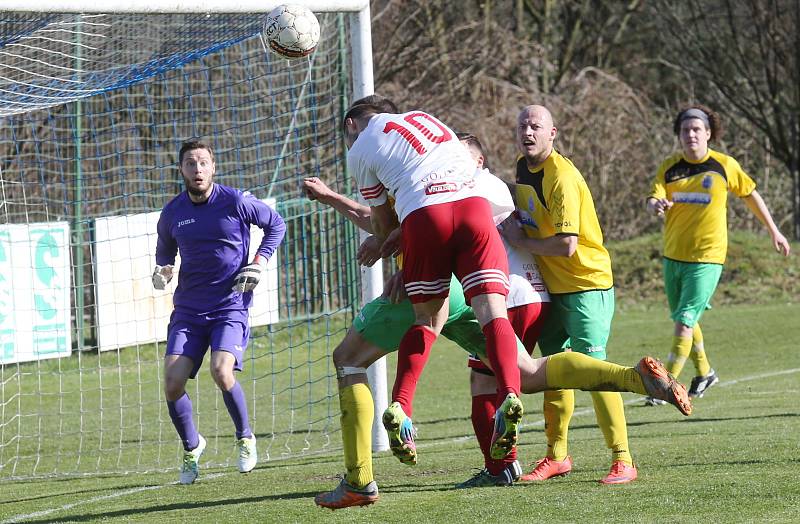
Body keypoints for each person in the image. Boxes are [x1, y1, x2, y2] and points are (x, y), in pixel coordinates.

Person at [312, 113, 690, 508]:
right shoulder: (440, 149)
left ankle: (362, 476)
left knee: (349, 359)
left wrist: (398, 258)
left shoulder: (381, 158)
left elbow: (391, 220)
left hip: (437, 280)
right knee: (524, 372)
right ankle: (631, 380)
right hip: (479, 282)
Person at [343, 102, 525, 475]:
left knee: (426, 320)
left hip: (426, 217)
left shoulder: (360, 147)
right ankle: (510, 393)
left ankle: (401, 405)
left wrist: (387, 240)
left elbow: (381, 218)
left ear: (350, 125)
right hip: (473, 209)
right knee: (493, 313)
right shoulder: (428, 118)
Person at [500, 105, 637, 484]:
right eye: (522, 124)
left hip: (586, 283)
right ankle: (556, 455)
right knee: (554, 371)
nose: (528, 132)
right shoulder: (522, 167)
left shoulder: (561, 177)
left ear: (552, 133)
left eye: (536, 126)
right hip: (550, 286)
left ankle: (623, 458)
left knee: (594, 371)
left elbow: (567, 245)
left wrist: (521, 240)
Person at [153, 140, 286, 484]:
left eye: (203, 163)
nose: (197, 169)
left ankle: (245, 438)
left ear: (213, 167)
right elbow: (165, 254)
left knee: (221, 371)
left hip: (229, 304)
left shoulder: (236, 201)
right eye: (190, 164)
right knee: (171, 382)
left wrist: (258, 262)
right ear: (180, 170)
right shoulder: (172, 213)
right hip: (188, 310)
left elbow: (276, 225)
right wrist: (163, 270)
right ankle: (192, 447)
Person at [644, 105, 790, 404]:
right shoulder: (670, 168)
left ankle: (664, 386)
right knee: (687, 318)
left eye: (697, 129)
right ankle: (706, 372)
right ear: (679, 135)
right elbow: (653, 197)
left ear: (708, 133)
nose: (691, 134)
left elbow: (750, 194)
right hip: (673, 256)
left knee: (684, 320)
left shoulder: (724, 165)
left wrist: (774, 230)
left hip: (708, 258)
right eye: (685, 130)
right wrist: (656, 205)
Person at [454, 133, 551, 489]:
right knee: (508, 377)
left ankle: (501, 467)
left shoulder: (479, 188)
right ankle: (505, 463)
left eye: (459, 155)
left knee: (489, 381)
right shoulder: (490, 187)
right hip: (528, 294)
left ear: (479, 160)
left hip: (507, 298)